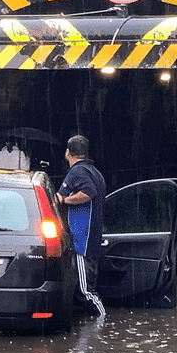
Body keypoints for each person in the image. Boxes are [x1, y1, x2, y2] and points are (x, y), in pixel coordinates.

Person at [55, 135, 107, 317]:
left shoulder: (78, 172)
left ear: (67, 153)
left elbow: (88, 192)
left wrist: (65, 201)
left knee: (86, 291)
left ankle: (103, 325)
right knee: (82, 288)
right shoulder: (94, 171)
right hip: (89, 239)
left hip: (83, 242)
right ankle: (92, 334)